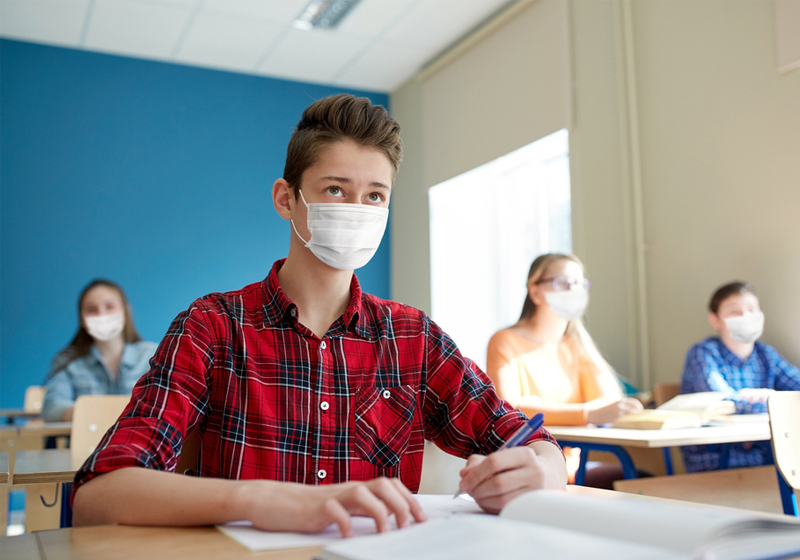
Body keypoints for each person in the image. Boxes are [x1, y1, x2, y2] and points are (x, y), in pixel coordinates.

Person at [71, 94, 567, 535]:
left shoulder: (413, 336)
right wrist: (266, 500)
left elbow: (534, 443)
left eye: (375, 195)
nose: (358, 208)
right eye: (335, 189)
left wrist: (540, 471)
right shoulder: (213, 326)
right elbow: (99, 495)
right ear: (287, 199)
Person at [486, 253, 643, 485]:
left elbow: (609, 401)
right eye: (564, 283)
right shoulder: (505, 341)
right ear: (536, 291)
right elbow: (511, 409)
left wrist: (542, 407)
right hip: (530, 462)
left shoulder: (575, 344)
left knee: (641, 480)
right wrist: (587, 414)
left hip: (572, 462)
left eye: (580, 284)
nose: (574, 291)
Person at [680, 281, 800, 472]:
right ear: (716, 320)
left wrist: (771, 397)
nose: (746, 316)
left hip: (766, 458)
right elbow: (721, 400)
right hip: (716, 460)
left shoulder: (766, 355)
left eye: (752, 309)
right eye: (734, 311)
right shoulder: (703, 353)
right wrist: (772, 401)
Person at [42, 279, 157, 422]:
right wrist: (94, 415)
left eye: (110, 306)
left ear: (125, 311)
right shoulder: (67, 360)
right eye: (91, 310)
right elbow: (52, 407)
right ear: (82, 319)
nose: (101, 315)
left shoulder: (153, 356)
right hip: (86, 443)